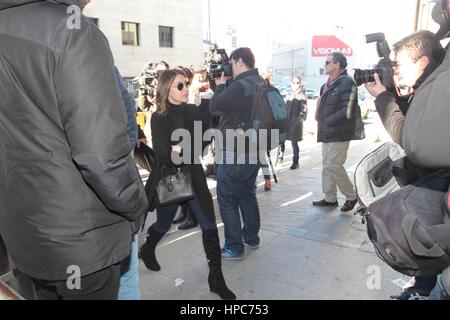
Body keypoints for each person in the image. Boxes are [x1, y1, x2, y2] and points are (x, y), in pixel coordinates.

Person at [0, 0, 148, 300]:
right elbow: (101, 155)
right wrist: (137, 204)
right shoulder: (72, 30)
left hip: (24, 232)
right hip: (81, 240)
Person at [139, 69, 236, 300]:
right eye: (179, 86)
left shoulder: (193, 110)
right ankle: (148, 248)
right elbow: (163, 155)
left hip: (193, 175)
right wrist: (182, 147)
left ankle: (216, 278)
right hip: (170, 179)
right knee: (163, 225)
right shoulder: (158, 117)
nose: (185, 89)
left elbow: (202, 143)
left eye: (186, 84)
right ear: (166, 89)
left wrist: (179, 146)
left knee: (209, 226)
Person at [365, 30, 447, 300]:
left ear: (421, 62)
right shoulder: (430, 84)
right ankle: (422, 287)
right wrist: (395, 95)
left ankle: (428, 291)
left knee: (430, 238)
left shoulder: (439, 86)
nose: (395, 71)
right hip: (433, 190)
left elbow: (411, 138)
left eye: (399, 64)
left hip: (438, 192)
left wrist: (383, 98)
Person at [210, 47, 262, 259]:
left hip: (235, 151)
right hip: (255, 150)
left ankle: (234, 246)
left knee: (228, 199)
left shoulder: (239, 86)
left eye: (231, 63)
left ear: (240, 62)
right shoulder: (260, 82)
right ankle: (251, 237)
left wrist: (220, 86)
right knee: (247, 194)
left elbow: (215, 107)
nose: (229, 68)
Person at [313, 52, 363, 213]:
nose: (324, 65)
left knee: (334, 165)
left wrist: (328, 120)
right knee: (327, 165)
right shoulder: (328, 84)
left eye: (327, 62)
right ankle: (330, 198)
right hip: (327, 133)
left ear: (337, 64)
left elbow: (347, 111)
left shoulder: (347, 83)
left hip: (339, 133)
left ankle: (351, 196)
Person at [284, 76, 308, 170]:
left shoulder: (302, 94)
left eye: (297, 82)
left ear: (300, 83)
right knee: (282, 139)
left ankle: (295, 161)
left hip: (295, 122)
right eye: (293, 82)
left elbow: (303, 110)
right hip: (287, 121)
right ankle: (280, 157)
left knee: (294, 142)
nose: (295, 84)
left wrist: (298, 121)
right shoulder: (289, 94)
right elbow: (285, 107)